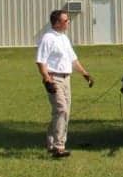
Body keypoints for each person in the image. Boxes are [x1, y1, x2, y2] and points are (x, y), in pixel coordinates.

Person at [36, 9, 94, 158]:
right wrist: (47, 80)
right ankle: (59, 146)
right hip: (54, 78)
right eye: (66, 20)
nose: (68, 22)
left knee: (62, 112)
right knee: (61, 109)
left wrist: (85, 74)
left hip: (66, 79)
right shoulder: (47, 38)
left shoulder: (64, 38)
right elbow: (41, 61)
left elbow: (73, 60)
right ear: (57, 22)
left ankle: (50, 143)